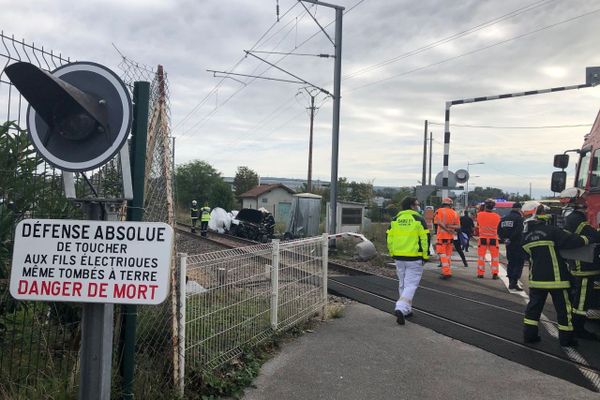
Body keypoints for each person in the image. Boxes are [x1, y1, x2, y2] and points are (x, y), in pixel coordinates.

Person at [521, 201, 588, 347]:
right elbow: (571, 241)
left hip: (536, 280)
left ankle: (529, 335)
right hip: (557, 280)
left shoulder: (525, 236)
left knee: (533, 309)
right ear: (538, 213)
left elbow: (528, 256)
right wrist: (587, 238)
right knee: (564, 310)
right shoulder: (551, 231)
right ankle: (566, 339)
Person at [560, 188, 600, 341]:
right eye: (582, 198)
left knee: (579, 298)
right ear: (574, 200)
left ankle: (576, 326)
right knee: (582, 300)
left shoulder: (572, 217)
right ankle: (578, 328)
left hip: (580, 264)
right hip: (583, 265)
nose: (585, 200)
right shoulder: (577, 218)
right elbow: (595, 236)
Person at [387, 196, 430, 324]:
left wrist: (392, 253)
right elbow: (425, 238)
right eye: (416, 204)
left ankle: (407, 310)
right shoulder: (418, 219)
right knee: (411, 285)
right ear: (412, 205)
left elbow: (389, 238)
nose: (418, 206)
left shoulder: (395, 219)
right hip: (414, 258)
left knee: (403, 284)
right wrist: (425, 256)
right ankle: (400, 307)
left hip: (399, 257)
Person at [498, 202, 525, 291]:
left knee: (511, 262)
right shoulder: (519, 219)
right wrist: (511, 238)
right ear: (518, 209)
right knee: (519, 263)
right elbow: (518, 231)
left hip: (508, 245)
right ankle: (514, 282)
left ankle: (510, 282)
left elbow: (499, 230)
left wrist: (504, 239)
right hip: (517, 244)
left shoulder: (504, 219)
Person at [434, 197, 460, 279]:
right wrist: (450, 227)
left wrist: (446, 229)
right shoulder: (455, 213)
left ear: (443, 204)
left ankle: (446, 272)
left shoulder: (439, 211)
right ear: (450, 204)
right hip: (450, 238)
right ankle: (447, 271)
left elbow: (438, 222)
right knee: (448, 256)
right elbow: (458, 226)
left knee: (442, 255)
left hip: (442, 237)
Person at [476, 198, 501, 279]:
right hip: (493, 238)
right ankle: (495, 273)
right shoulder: (497, 216)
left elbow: (478, 223)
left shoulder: (479, 215)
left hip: (482, 238)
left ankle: (480, 273)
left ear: (485, 206)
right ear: (493, 207)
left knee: (481, 257)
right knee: (495, 257)